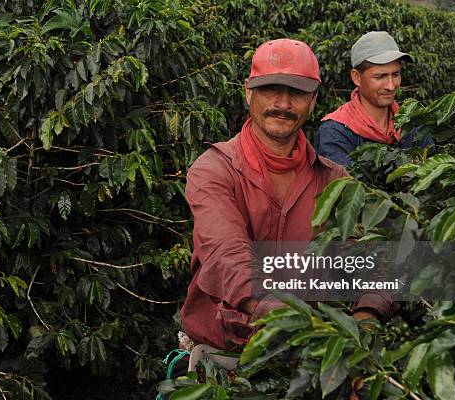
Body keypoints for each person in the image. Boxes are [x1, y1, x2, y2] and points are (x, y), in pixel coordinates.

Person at [180, 39, 394, 352]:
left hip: (310, 353)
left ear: (313, 100)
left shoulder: (335, 180)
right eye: (271, 89)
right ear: (248, 92)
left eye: (297, 92)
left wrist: (366, 315)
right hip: (227, 348)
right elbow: (226, 254)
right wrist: (280, 316)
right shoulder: (214, 170)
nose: (282, 103)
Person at [315, 31, 431, 166]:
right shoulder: (336, 132)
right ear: (356, 77)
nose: (391, 85)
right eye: (380, 76)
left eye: (396, 74)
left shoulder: (412, 125)